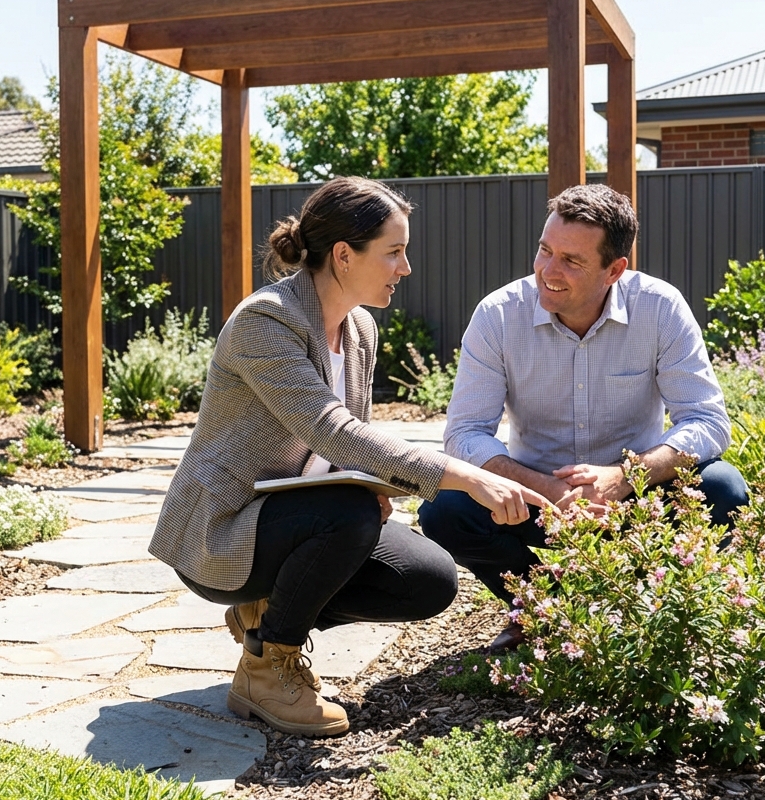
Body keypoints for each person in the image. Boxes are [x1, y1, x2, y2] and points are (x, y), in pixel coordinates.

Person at [151, 176, 549, 737]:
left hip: (303, 512)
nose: (405, 268)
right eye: (393, 252)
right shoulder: (267, 321)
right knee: (348, 514)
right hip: (224, 530)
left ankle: (264, 621)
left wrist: (368, 485)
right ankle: (268, 672)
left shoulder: (359, 327)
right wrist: (462, 476)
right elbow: (330, 429)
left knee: (428, 579)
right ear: (343, 255)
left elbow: (350, 441)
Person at [418, 184, 749, 653]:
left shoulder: (659, 307)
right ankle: (538, 610)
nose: (548, 271)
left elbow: (707, 419)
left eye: (572, 261)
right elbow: (465, 433)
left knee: (724, 489)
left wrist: (626, 475)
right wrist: (546, 490)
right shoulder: (498, 315)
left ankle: (644, 612)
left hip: (638, 503)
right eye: (545, 250)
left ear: (614, 270)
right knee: (444, 508)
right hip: (533, 506)